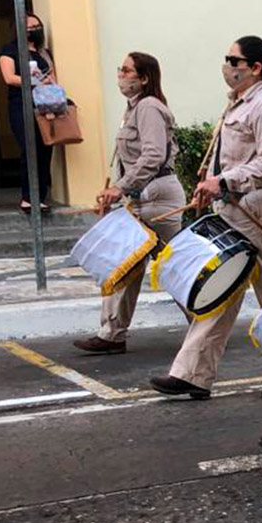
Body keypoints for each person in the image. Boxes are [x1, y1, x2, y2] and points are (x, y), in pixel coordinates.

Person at [147, 35, 262, 400]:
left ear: (255, 68)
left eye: (233, 60)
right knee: (221, 289)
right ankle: (192, 374)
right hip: (234, 208)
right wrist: (210, 184)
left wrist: (224, 181)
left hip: (258, 209)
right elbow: (226, 158)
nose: (227, 66)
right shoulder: (236, 105)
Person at [73, 53, 185, 355]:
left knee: (173, 269)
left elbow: (153, 156)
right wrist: (119, 189)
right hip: (140, 198)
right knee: (124, 263)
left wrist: (120, 187)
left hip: (158, 198)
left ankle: (208, 324)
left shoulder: (148, 107)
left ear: (144, 78)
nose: (120, 75)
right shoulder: (134, 108)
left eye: (126, 70)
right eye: (119, 69)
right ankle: (111, 334)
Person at [0, 12, 55, 214]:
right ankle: (28, 198)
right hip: (21, 106)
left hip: (45, 107)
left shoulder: (44, 53)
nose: (33, 30)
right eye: (29, 27)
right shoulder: (10, 50)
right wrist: (35, 81)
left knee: (46, 150)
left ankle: (40, 197)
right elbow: (9, 78)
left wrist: (48, 82)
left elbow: (53, 78)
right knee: (30, 149)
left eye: (36, 27)